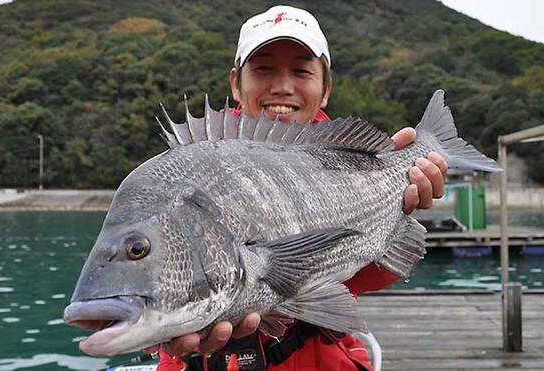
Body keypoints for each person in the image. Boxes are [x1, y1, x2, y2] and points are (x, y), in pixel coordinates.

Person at [153, 5, 447, 370]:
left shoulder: (348, 158)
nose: (283, 86)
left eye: (301, 70)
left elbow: (356, 277)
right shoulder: (192, 166)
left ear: (325, 89)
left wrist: (399, 210)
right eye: (263, 69)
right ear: (235, 83)